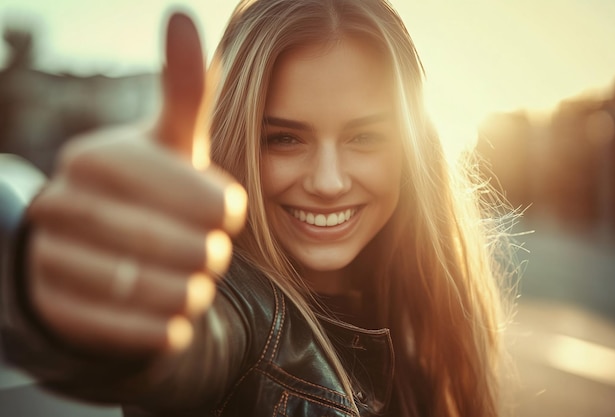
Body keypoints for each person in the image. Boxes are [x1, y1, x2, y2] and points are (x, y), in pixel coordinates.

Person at [0, 1, 515, 416]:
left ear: (411, 147)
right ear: (237, 139)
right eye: (284, 139)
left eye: (364, 136)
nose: (329, 182)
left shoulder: (415, 311)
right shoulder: (236, 308)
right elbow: (184, 348)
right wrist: (62, 286)